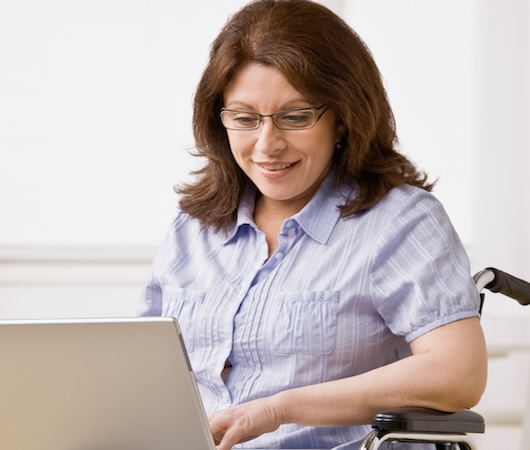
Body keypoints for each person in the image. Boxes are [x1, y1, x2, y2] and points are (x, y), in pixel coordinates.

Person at [137, 1, 487, 449]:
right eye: (245, 119)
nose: (267, 145)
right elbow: (141, 371)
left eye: (295, 117)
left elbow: (458, 375)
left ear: (343, 117)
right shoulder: (193, 229)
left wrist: (278, 408)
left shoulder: (399, 222)